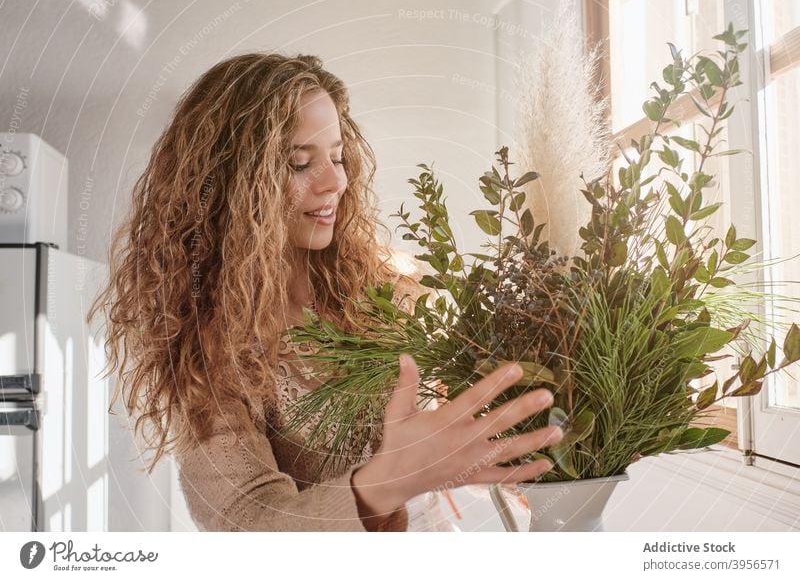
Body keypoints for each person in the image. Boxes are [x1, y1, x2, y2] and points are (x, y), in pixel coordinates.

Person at [87, 52, 563, 532]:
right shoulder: (206, 349)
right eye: (299, 163)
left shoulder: (391, 285)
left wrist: (494, 457)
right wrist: (382, 484)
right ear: (233, 184)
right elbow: (245, 522)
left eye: (337, 156)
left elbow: (443, 433)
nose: (336, 180)